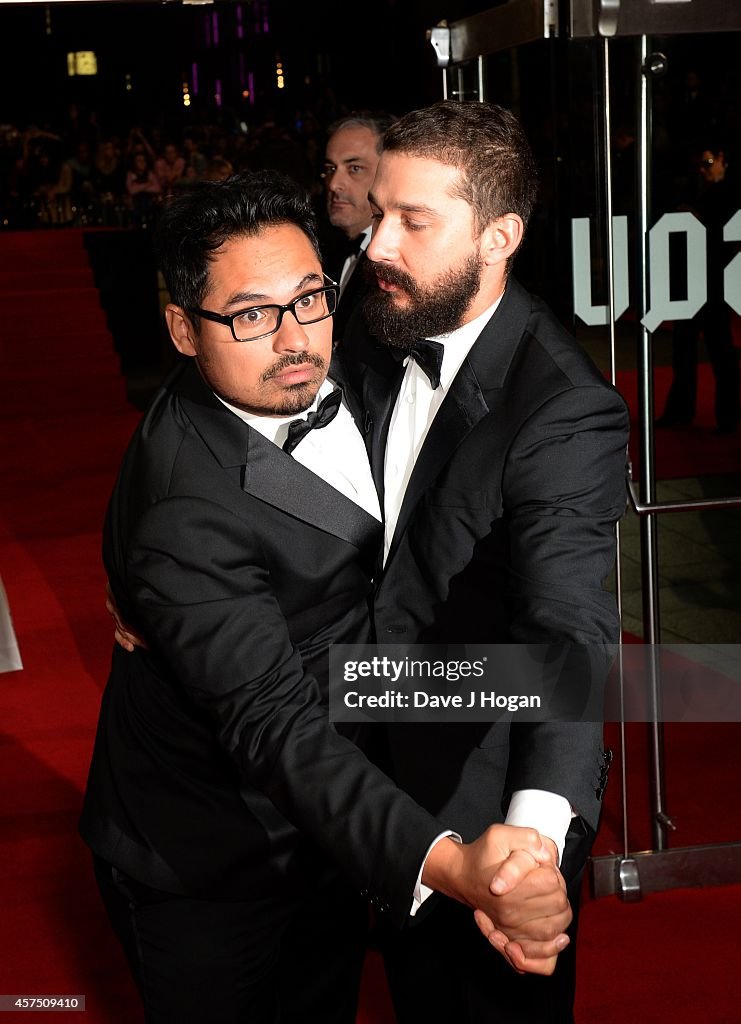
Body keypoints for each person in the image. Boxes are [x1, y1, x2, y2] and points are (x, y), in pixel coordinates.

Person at [81, 169, 573, 1024]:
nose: (292, 338)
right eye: (249, 315)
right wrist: (449, 865)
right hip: (216, 859)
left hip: (345, 808)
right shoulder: (184, 518)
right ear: (180, 330)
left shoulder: (351, 348)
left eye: (309, 298)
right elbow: (275, 725)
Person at [336, 100, 631, 1023]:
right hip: (340, 770)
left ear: (499, 236)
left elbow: (567, 638)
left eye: (413, 221)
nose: (377, 243)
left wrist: (528, 850)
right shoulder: (378, 304)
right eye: (376, 210)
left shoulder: (560, 411)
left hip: (467, 796)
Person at [656, 141, 740, 434]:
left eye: (708, 164)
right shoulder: (698, 190)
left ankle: (728, 417)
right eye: (700, 165)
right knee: (685, 350)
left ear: (722, 160)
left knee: (721, 353)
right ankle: (681, 411)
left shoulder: (730, 192)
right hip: (693, 282)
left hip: (716, 284)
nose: (704, 171)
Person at [321, 112, 395, 344]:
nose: (334, 184)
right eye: (331, 169)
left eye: (354, 168)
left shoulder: (396, 264)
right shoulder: (326, 250)